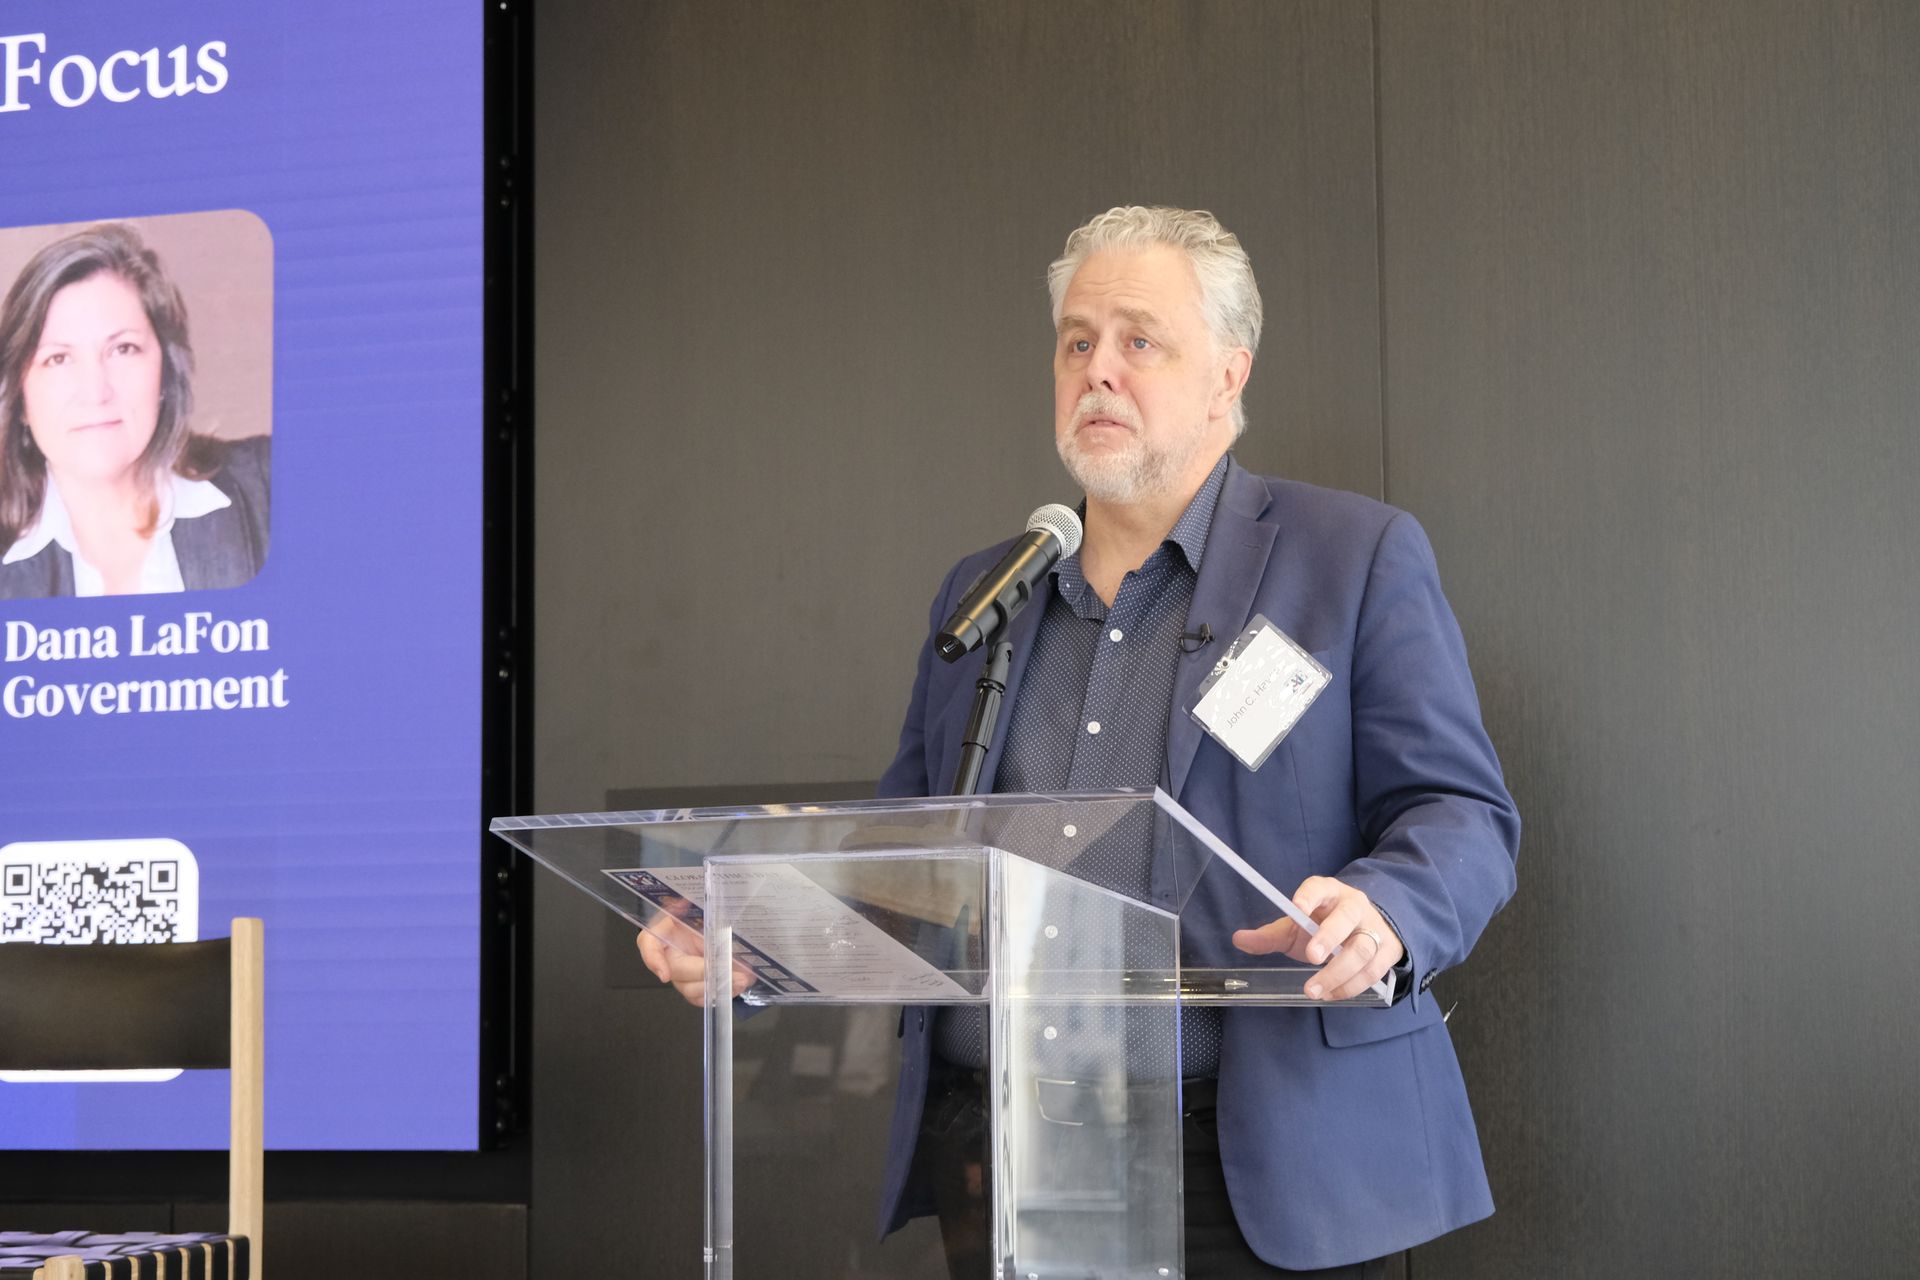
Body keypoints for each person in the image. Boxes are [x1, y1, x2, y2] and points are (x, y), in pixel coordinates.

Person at [645, 206, 1520, 1277]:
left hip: (1262, 1173)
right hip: (1010, 1163)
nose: (1097, 369)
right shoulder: (987, 593)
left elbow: (1462, 813)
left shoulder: (1351, 558)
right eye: (1076, 341)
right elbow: (905, 859)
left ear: (1227, 376)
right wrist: (757, 936)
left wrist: (1388, 909)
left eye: (1138, 340)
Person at [0, 223, 269, 598]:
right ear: (20, 397)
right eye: (58, 358)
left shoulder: (272, 486)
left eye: (123, 349)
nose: (95, 392)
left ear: (165, 372)